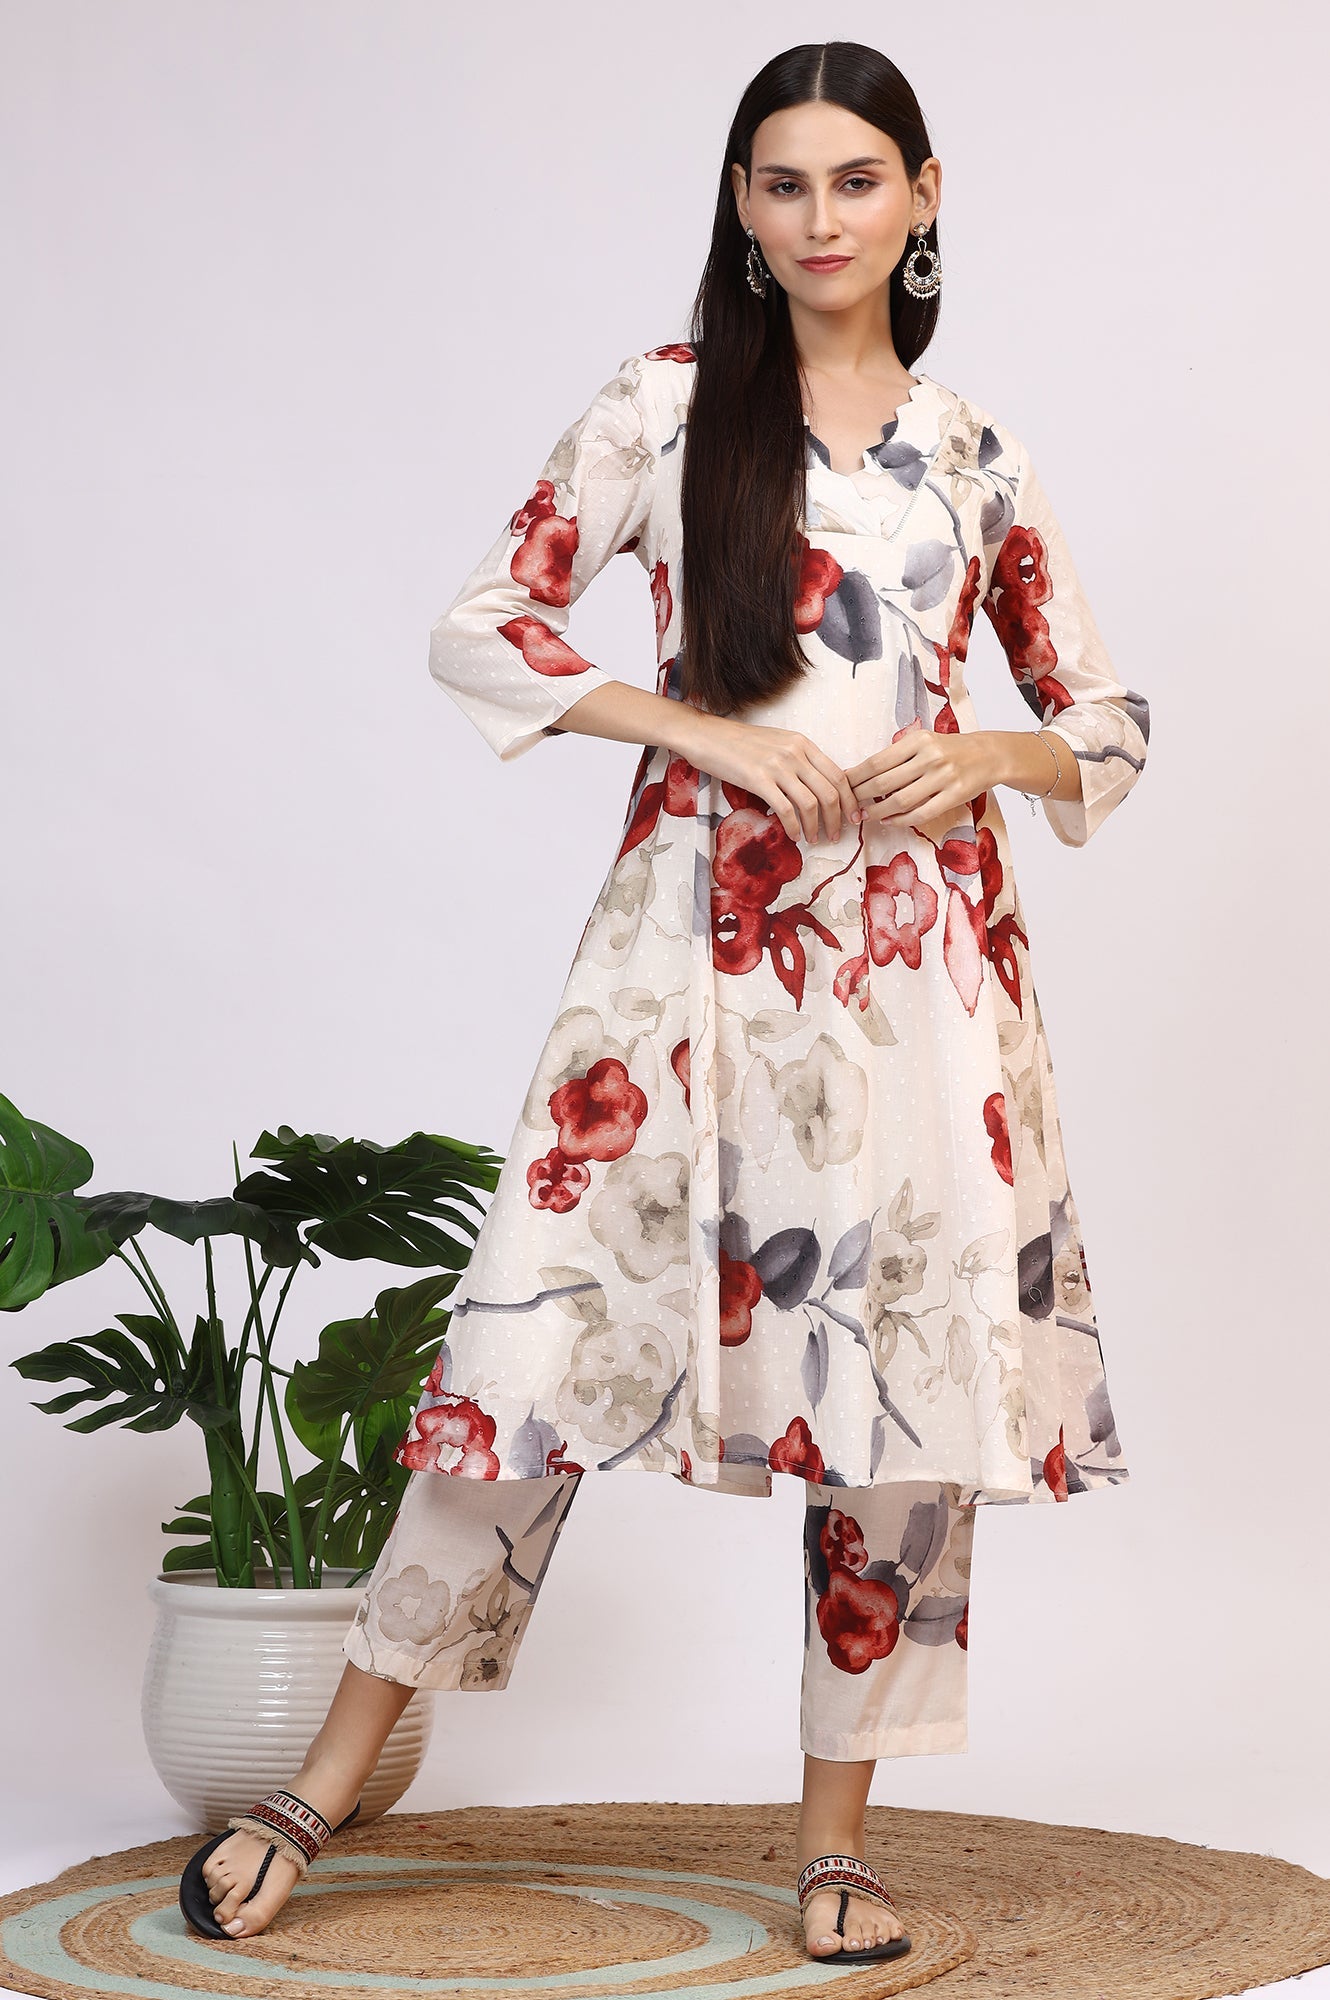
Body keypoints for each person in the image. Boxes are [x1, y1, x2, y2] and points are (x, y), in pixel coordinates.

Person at [182, 38, 1148, 1965]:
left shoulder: (976, 454)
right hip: (685, 960)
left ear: (923, 195)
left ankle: (836, 1841)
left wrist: (985, 756)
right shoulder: (667, 404)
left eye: (856, 181)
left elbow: (1108, 722)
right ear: (741, 203)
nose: (819, 218)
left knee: (897, 1401)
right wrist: (698, 728)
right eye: (783, 183)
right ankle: (322, 1779)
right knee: (529, 1356)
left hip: (923, 986)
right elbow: (485, 626)